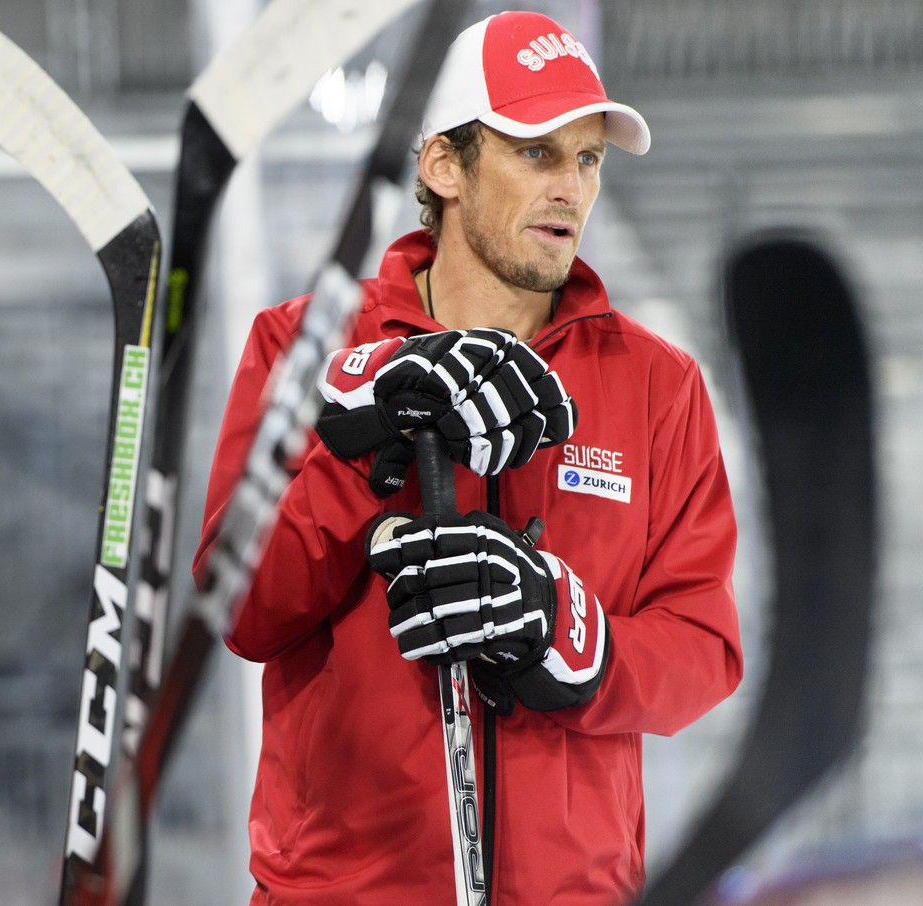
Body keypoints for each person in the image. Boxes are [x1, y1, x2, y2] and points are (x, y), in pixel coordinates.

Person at [196, 11, 742, 905]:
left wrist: (577, 640)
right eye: (537, 153)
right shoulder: (306, 347)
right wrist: (362, 450)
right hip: (341, 891)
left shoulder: (657, 384)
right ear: (444, 165)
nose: (571, 186)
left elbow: (705, 649)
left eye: (588, 158)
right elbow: (245, 607)